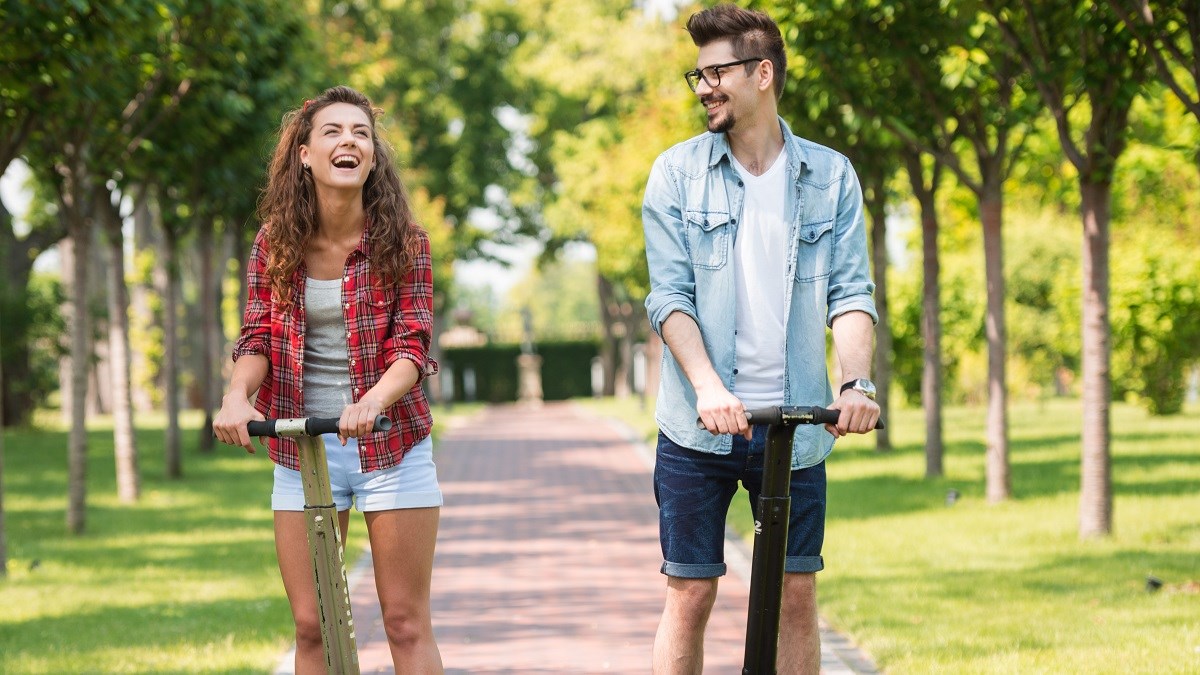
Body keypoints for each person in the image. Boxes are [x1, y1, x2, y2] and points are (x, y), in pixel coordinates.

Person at [641, 6, 881, 674]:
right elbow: (670, 296)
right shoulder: (675, 174)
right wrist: (710, 386)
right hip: (698, 427)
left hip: (794, 424)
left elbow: (851, 293)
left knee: (796, 594)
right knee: (689, 592)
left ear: (763, 73)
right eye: (698, 73)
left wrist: (854, 382)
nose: (702, 87)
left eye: (716, 72)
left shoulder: (831, 177)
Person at [213, 85, 444, 674]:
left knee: (404, 622)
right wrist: (236, 396)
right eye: (333, 132)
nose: (349, 140)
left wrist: (370, 402)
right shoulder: (275, 243)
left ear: (372, 157)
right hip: (303, 447)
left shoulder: (405, 243)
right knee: (312, 628)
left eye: (361, 133)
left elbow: (411, 344)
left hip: (391, 445)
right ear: (305, 155)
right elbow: (258, 335)